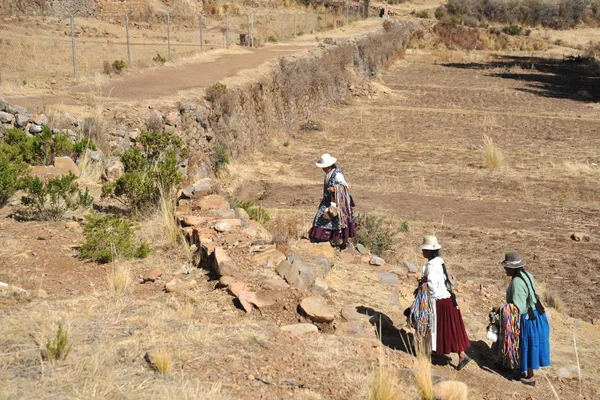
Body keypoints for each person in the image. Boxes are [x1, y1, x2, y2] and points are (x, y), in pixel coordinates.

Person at [418, 235, 471, 370]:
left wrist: (422, 283)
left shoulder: (431, 265)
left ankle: (457, 355)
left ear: (429, 251)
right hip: (448, 299)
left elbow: (432, 287)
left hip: (439, 302)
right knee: (452, 329)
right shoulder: (439, 262)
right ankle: (460, 354)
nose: (422, 252)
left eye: (424, 250)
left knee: (440, 328)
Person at [501, 251, 550, 386]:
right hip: (538, 314)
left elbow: (519, 307)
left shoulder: (516, 282)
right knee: (530, 346)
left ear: (512, 268)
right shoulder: (527, 275)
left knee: (527, 345)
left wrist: (503, 310)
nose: (504, 269)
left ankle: (530, 377)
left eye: (506, 267)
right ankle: (524, 371)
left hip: (529, 319)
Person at [308, 153, 356, 248]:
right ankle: (324, 239)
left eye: (324, 167)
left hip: (339, 202)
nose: (322, 169)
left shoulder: (337, 174)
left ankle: (342, 242)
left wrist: (335, 188)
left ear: (328, 166)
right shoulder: (329, 173)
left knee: (340, 221)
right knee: (322, 217)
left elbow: (344, 185)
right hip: (328, 200)